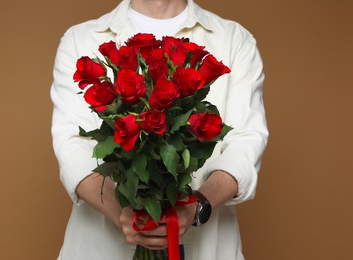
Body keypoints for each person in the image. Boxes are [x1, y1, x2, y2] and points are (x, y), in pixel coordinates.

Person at [50, 0, 268, 259]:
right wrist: (126, 214)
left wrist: (196, 206)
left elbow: (246, 142)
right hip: (99, 249)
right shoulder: (79, 39)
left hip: (209, 248)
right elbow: (72, 146)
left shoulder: (235, 40)